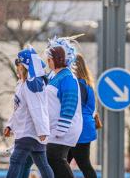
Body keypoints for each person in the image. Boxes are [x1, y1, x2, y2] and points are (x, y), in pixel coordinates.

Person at [5, 46, 54, 178]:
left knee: (15, 162)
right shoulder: (22, 84)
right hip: (31, 133)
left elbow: (37, 109)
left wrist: (42, 130)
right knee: (42, 165)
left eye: (19, 66)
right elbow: (18, 108)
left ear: (24, 67)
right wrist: (10, 125)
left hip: (28, 132)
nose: (17, 69)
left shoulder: (31, 85)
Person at [45, 37, 83, 178]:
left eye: (49, 58)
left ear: (56, 59)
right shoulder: (57, 76)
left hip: (63, 128)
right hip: (56, 128)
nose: (47, 62)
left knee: (55, 158)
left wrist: (62, 127)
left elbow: (70, 102)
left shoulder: (66, 77)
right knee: (52, 160)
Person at [67, 53, 97, 178]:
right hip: (85, 128)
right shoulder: (87, 84)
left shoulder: (77, 85)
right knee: (62, 162)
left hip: (77, 129)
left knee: (82, 164)